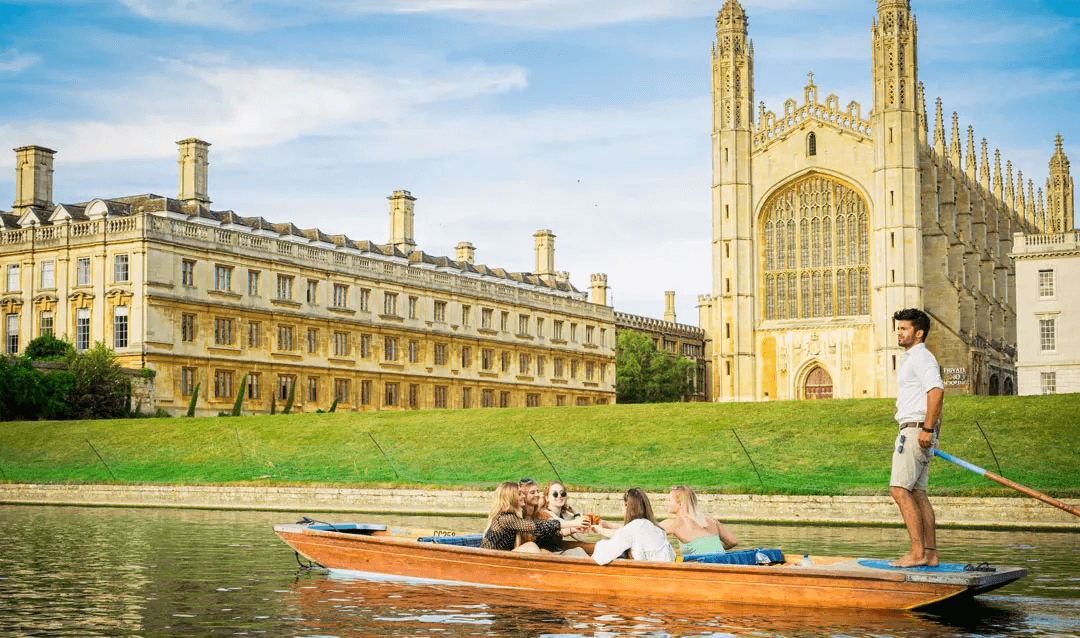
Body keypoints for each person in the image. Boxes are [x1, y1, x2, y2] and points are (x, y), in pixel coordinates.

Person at [890, 308, 945, 568]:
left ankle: (916, 553)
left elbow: (936, 391)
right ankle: (930, 554)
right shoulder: (916, 358)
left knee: (900, 490)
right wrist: (933, 432)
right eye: (897, 328)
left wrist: (928, 430)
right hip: (918, 431)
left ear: (918, 333)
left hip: (915, 432)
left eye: (904, 329)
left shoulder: (920, 357)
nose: (898, 332)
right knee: (918, 493)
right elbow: (929, 395)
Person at [480, 481, 584, 552]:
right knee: (531, 547)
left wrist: (572, 528)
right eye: (520, 494)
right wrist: (573, 523)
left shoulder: (512, 516)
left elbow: (543, 528)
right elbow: (536, 526)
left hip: (503, 556)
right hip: (488, 558)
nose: (523, 496)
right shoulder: (505, 518)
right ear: (511, 497)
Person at [589, 488, 676, 565]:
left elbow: (605, 553)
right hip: (665, 573)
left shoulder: (635, 526)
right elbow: (623, 534)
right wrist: (601, 530)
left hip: (654, 577)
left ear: (627, 506)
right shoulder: (651, 526)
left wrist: (595, 551)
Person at [660, 485, 738, 556]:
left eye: (670, 500)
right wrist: (710, 548)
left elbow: (650, 531)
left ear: (680, 503)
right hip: (721, 565)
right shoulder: (711, 520)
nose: (668, 503)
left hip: (703, 568)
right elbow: (733, 542)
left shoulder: (674, 524)